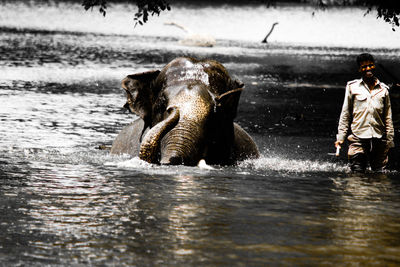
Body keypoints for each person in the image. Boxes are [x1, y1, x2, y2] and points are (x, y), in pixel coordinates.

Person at [335, 53, 394, 173]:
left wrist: (390, 140)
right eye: (364, 67)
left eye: (370, 65)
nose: (368, 69)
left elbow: (388, 117)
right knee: (357, 173)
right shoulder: (352, 87)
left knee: (379, 175)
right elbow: (345, 114)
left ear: (374, 67)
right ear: (359, 69)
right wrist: (340, 137)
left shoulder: (384, 90)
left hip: (379, 138)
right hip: (358, 137)